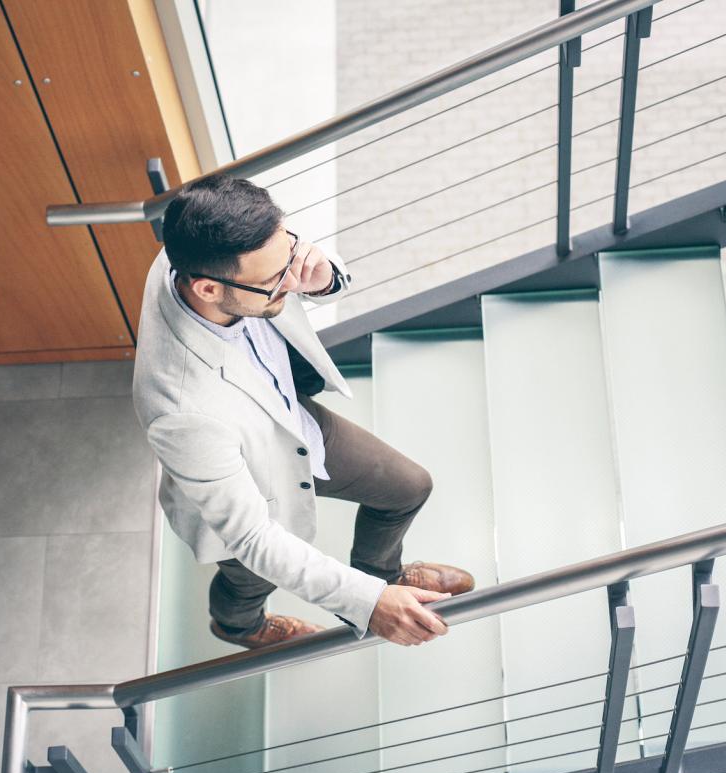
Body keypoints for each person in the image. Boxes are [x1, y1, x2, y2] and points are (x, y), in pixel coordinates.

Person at [132, 173, 476, 649]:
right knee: (251, 577)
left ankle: (382, 575)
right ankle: (238, 626)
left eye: (289, 251)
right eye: (276, 281)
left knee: (408, 486)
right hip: (248, 480)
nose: (291, 282)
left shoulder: (201, 241)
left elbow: (293, 266)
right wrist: (366, 604)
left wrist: (323, 275)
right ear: (208, 289)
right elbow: (252, 536)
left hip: (289, 421)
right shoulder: (182, 412)